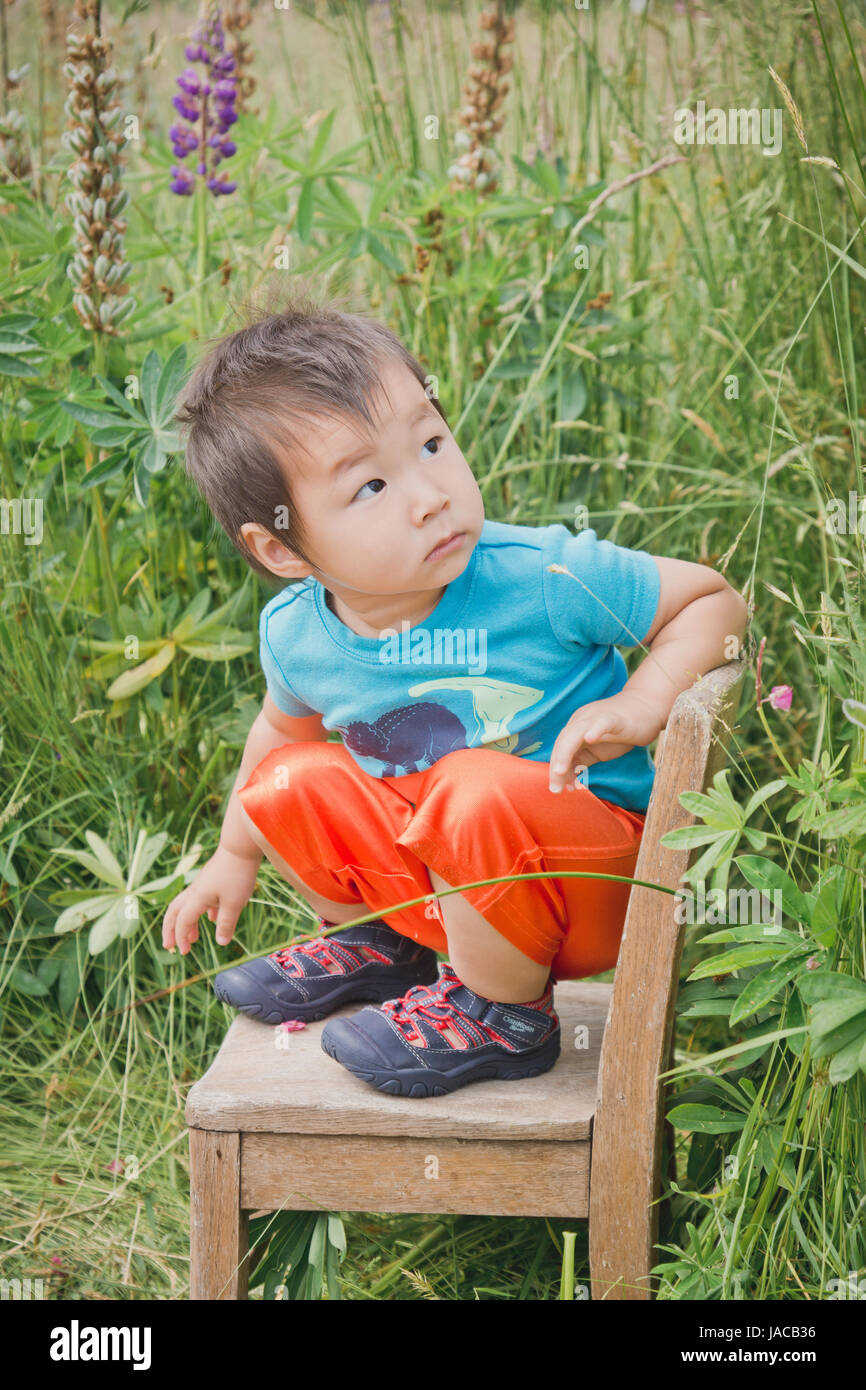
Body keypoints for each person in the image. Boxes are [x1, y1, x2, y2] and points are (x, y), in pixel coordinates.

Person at [161, 292, 748, 1098]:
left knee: (468, 785)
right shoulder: (297, 632)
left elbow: (713, 601)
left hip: (588, 888)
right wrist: (233, 855)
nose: (430, 493)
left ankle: (503, 1015)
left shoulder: (542, 576)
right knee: (287, 781)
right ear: (281, 547)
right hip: (441, 885)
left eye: (432, 442)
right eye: (369, 487)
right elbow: (278, 734)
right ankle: (382, 945)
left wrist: (644, 701)